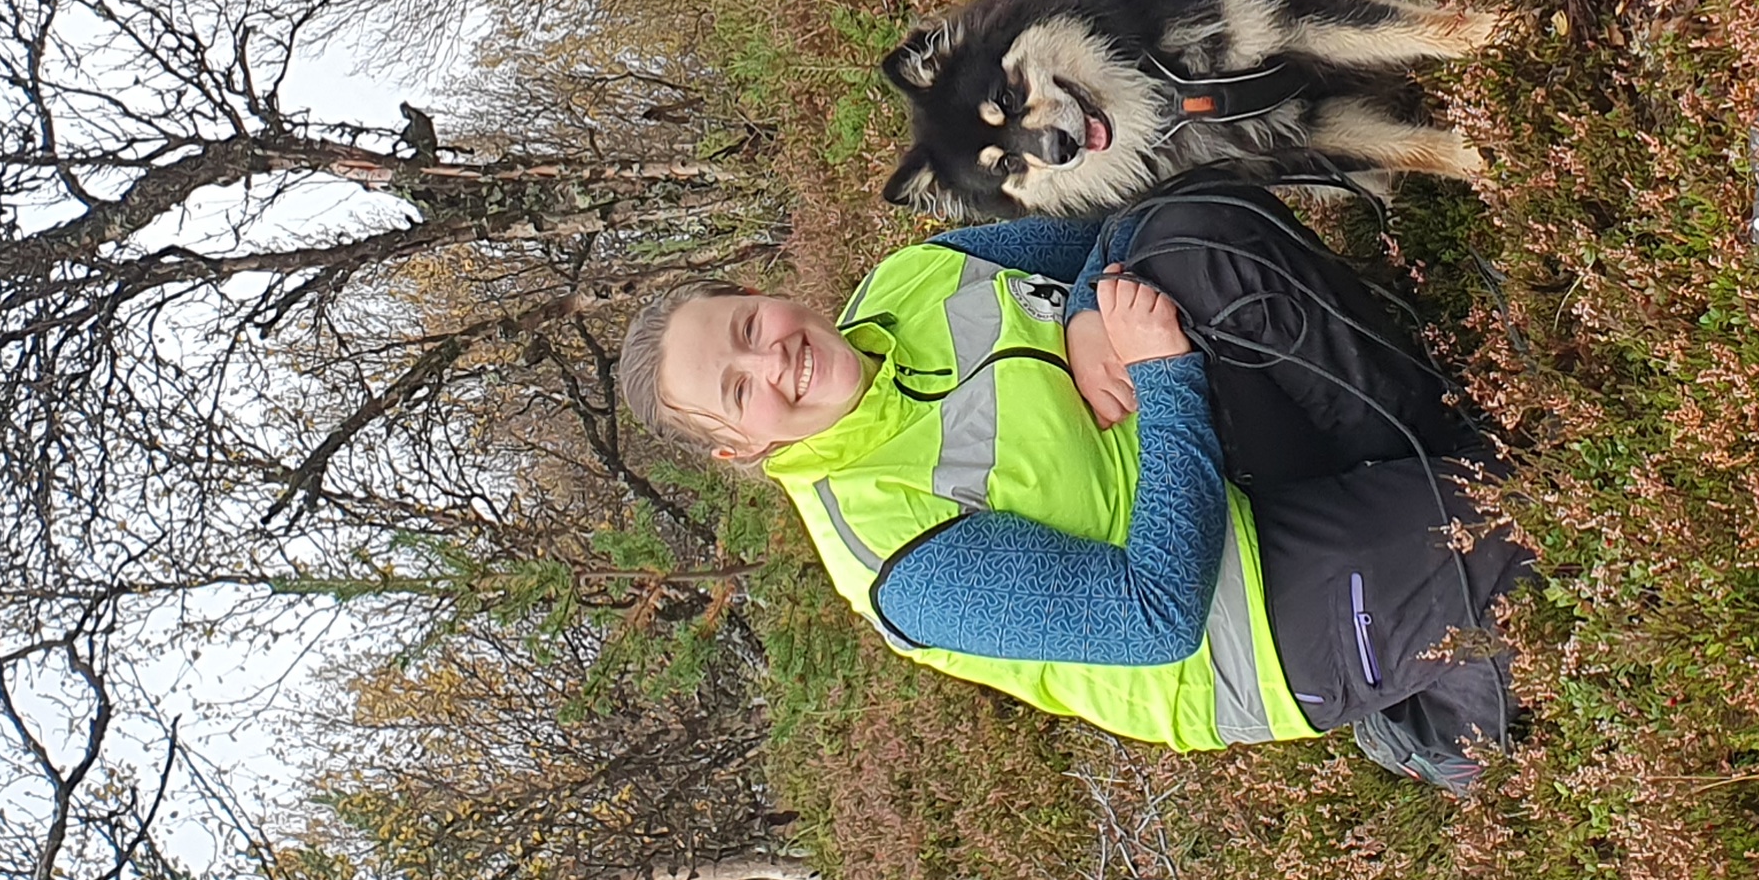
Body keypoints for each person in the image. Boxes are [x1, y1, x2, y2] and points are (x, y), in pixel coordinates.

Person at [616, 186, 1534, 789]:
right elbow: (1154, 614)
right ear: (740, 449)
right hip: (1235, 622)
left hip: (1228, 456)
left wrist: (1094, 305)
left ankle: (1444, 438)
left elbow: (1121, 222)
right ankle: (1432, 723)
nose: (772, 357)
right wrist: (1164, 375)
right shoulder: (888, 556)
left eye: (746, 324)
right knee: (1520, 521)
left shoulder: (917, 276)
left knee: (1194, 235)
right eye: (739, 388)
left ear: (761, 294)